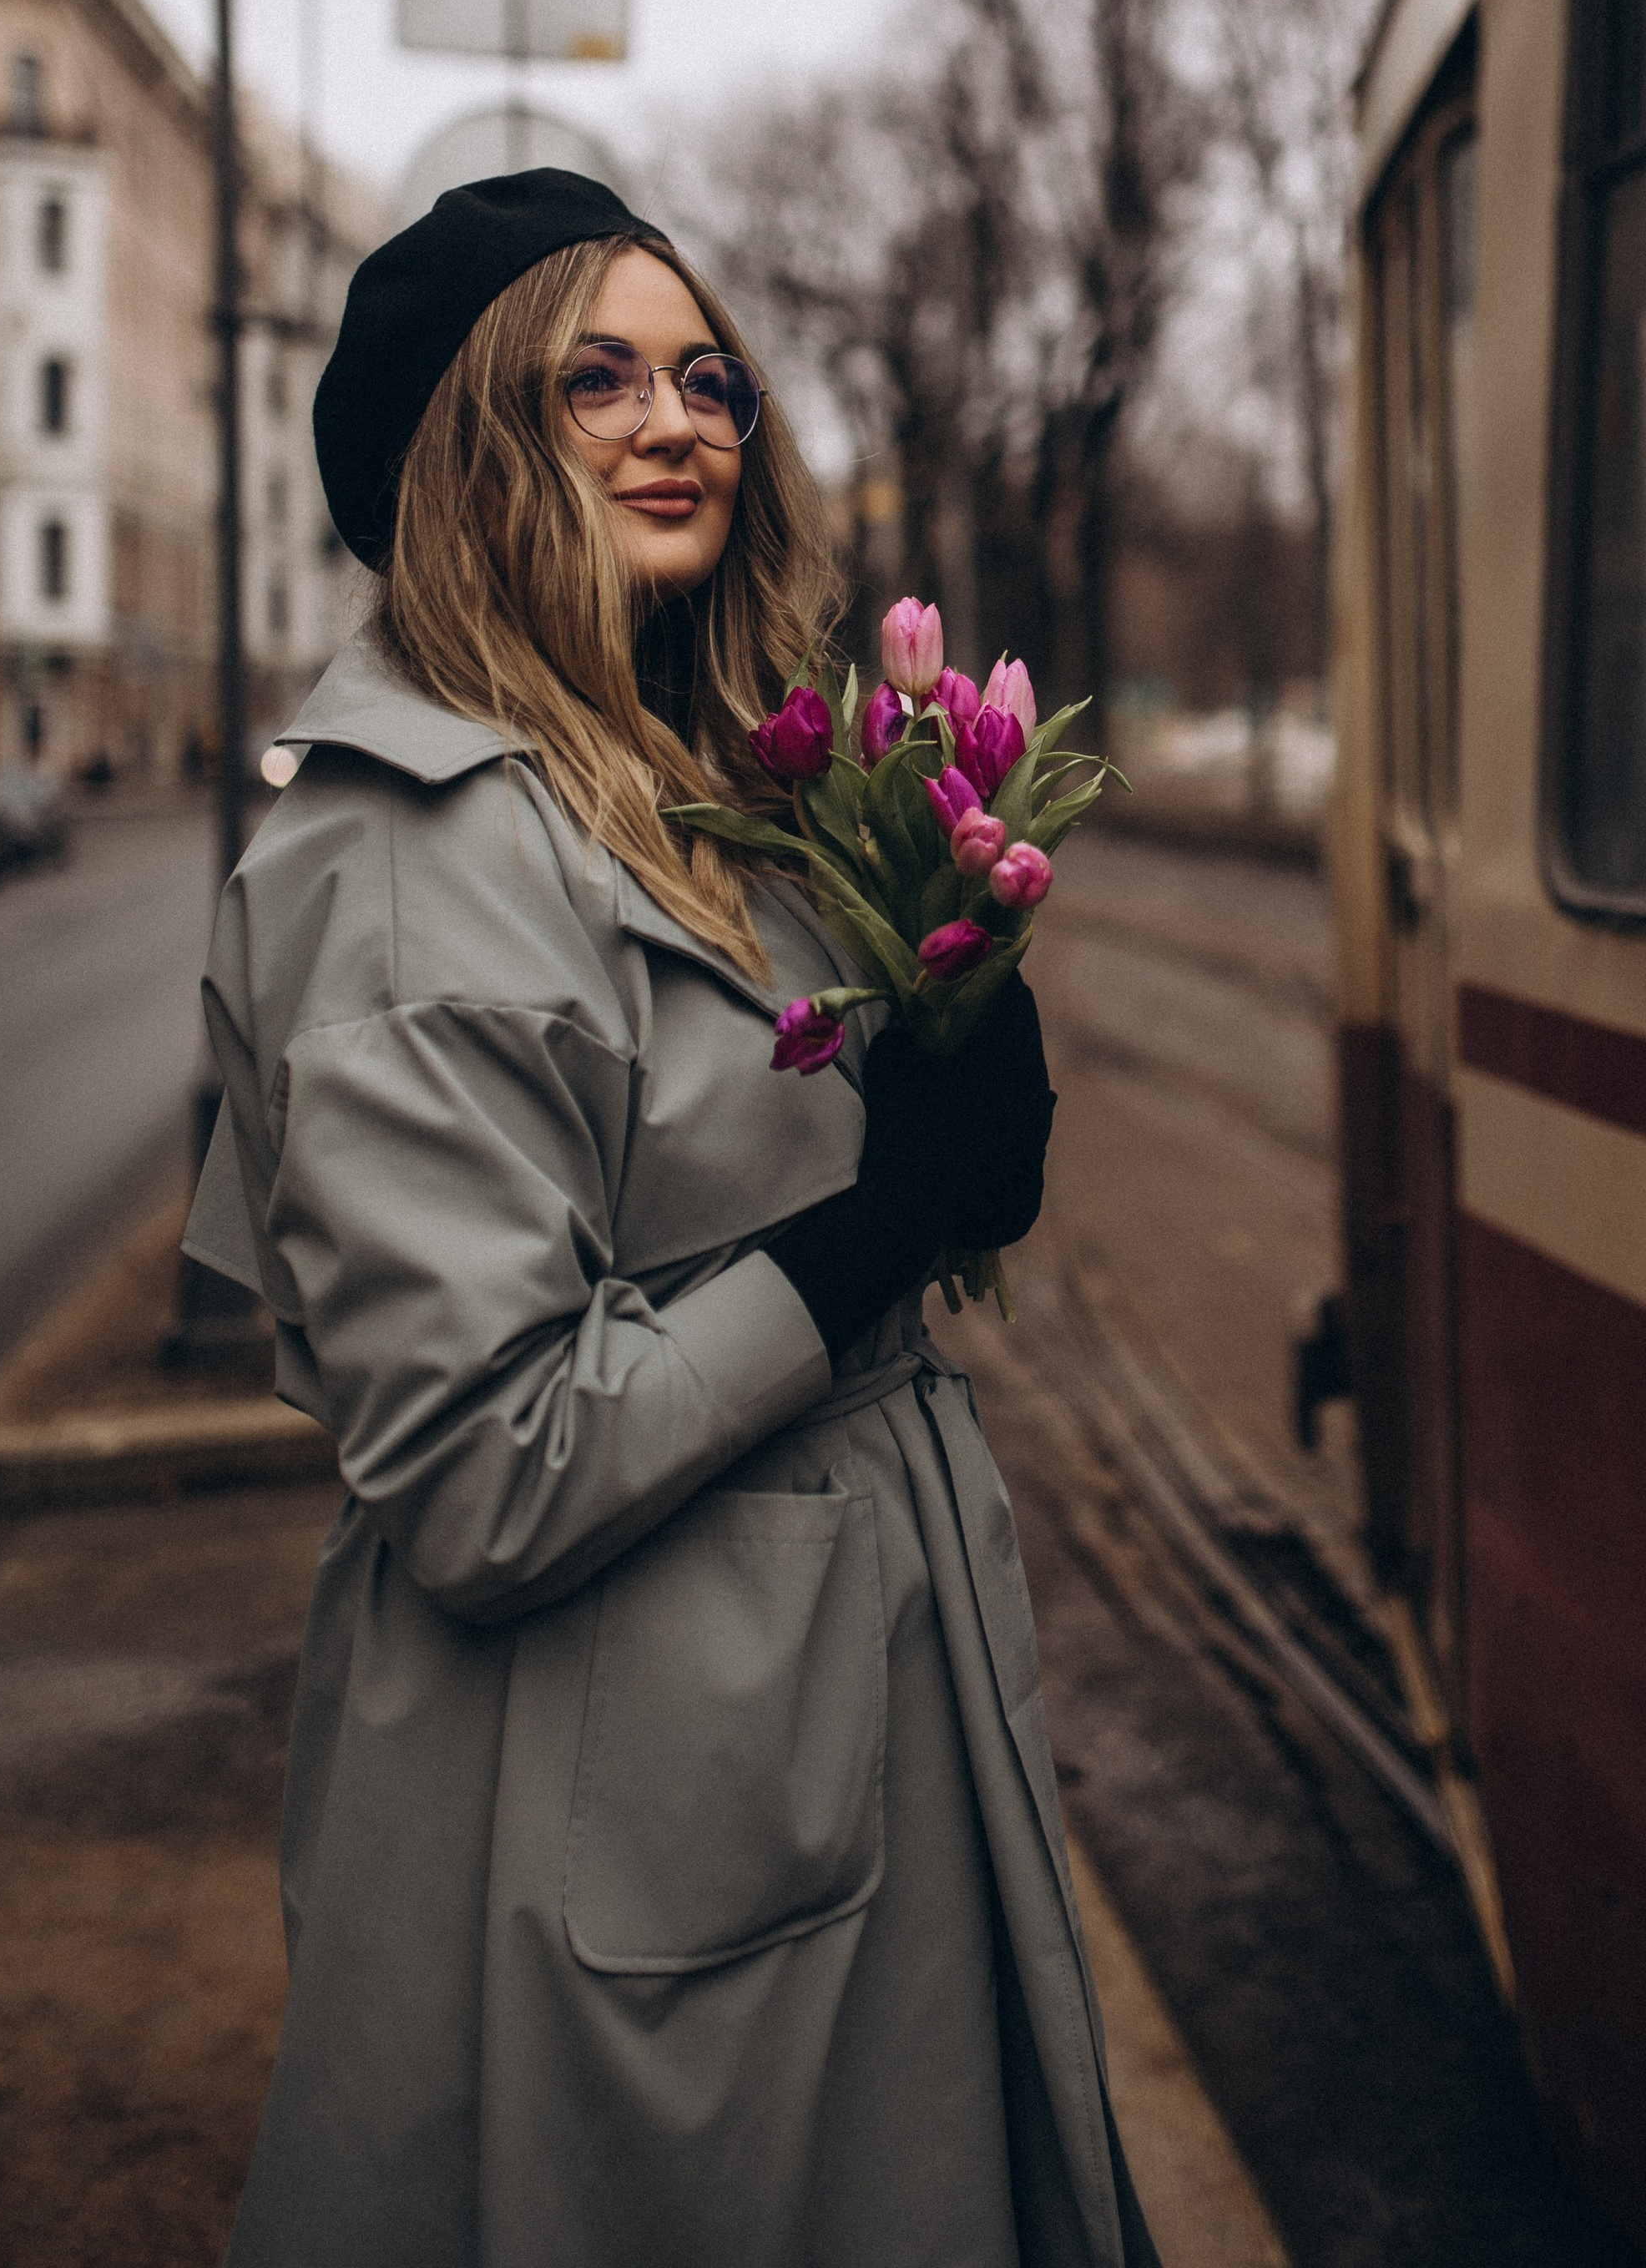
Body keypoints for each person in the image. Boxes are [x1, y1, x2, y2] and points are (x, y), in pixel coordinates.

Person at [184, 169, 1160, 2268]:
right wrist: (870, 1235)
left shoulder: (700, 789)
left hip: (795, 1721)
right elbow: (483, 1465)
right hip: (618, 1796)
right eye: (597, 380)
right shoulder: (406, 856)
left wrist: (951, 1063)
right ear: (465, 447)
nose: (679, 421)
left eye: (709, 378)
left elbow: (761, 1165)